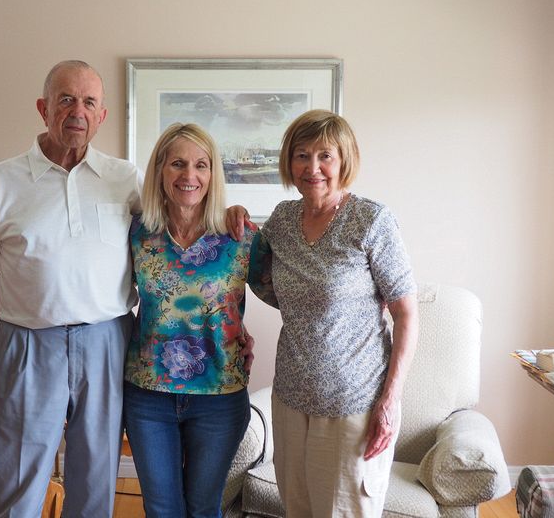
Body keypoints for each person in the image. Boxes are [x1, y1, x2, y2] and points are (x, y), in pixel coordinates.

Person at [0, 60, 141, 517]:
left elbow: (177, 241)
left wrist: (229, 212)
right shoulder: (4, 179)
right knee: (17, 478)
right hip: (26, 346)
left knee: (96, 477)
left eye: (88, 102)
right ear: (43, 108)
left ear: (102, 116)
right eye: (65, 99)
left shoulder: (127, 179)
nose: (77, 111)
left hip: (108, 341)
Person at [249, 109, 419, 517]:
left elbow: (407, 314)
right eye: (302, 155)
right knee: (297, 509)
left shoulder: (370, 220)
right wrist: (235, 217)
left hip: (354, 405)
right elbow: (259, 278)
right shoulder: (282, 220)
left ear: (344, 159)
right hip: (290, 398)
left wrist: (390, 401)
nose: (313, 168)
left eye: (325, 155)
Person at [123, 123, 268, 518]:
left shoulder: (240, 235)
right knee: (162, 509)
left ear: (212, 174)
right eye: (178, 164)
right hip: (148, 395)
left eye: (201, 165)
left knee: (204, 508)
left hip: (219, 397)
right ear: (160, 171)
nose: (190, 176)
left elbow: (287, 292)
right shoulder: (137, 233)